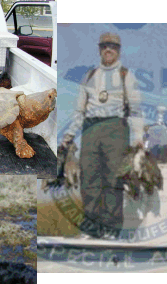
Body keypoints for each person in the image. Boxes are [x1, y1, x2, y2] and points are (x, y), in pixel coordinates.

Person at [61, 32, 144, 239]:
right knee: (89, 179)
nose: (108, 50)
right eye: (105, 46)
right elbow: (79, 111)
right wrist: (69, 136)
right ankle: (91, 228)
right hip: (90, 129)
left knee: (113, 179)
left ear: (119, 50)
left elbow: (136, 112)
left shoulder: (127, 75)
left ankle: (111, 228)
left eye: (113, 46)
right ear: (99, 49)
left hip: (116, 128)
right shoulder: (89, 76)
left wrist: (138, 138)